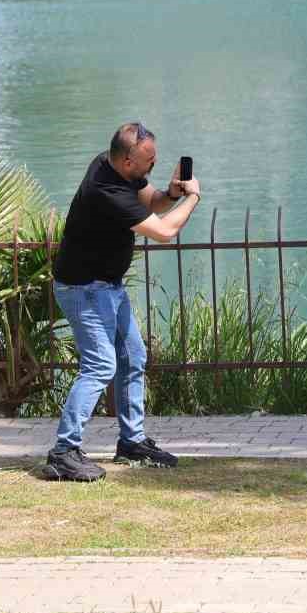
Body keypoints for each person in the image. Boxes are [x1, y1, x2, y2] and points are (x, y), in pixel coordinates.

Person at [41, 122, 201, 482]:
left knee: (133, 357)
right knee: (100, 365)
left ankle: (132, 442)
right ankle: (63, 452)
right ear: (127, 161)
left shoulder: (114, 165)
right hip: (83, 289)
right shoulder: (105, 188)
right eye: (149, 160)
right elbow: (164, 232)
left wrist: (172, 194)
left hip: (107, 286)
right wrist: (193, 197)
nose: (154, 166)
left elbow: (151, 203)